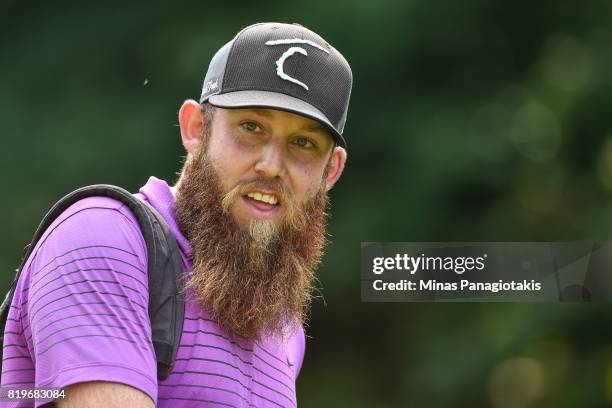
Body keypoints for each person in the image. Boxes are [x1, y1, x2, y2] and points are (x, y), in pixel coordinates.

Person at [1, 21, 352, 407]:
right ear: (197, 128)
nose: (271, 165)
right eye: (251, 126)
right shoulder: (105, 240)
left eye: (303, 142)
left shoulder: (283, 330)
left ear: (330, 171)